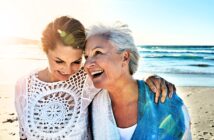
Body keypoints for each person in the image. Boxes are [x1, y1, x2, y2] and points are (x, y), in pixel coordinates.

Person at [15, 16, 176, 140]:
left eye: (76, 61)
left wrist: (150, 79)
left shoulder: (86, 80)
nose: (67, 70)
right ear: (45, 51)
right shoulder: (24, 85)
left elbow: (119, 77)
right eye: (59, 61)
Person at [84, 23, 192, 140]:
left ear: (125, 57)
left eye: (98, 52)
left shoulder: (166, 102)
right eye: (86, 57)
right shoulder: (90, 103)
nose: (87, 64)